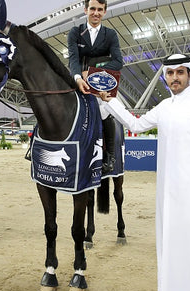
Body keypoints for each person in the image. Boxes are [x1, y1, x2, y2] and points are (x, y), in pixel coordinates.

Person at [98, 54, 190, 291]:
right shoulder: (165, 107)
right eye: (170, 73)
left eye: (180, 72)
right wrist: (110, 100)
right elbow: (135, 123)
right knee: (170, 248)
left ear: (189, 74)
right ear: (165, 76)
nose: (175, 78)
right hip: (168, 194)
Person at [67, 0, 123, 173]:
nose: (96, 13)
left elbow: (118, 62)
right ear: (85, 10)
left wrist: (94, 73)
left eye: (100, 10)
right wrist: (78, 77)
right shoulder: (75, 33)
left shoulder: (111, 34)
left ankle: (110, 156)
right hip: (78, 80)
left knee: (105, 110)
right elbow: (73, 60)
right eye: (92, 9)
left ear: (105, 12)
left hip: (101, 84)